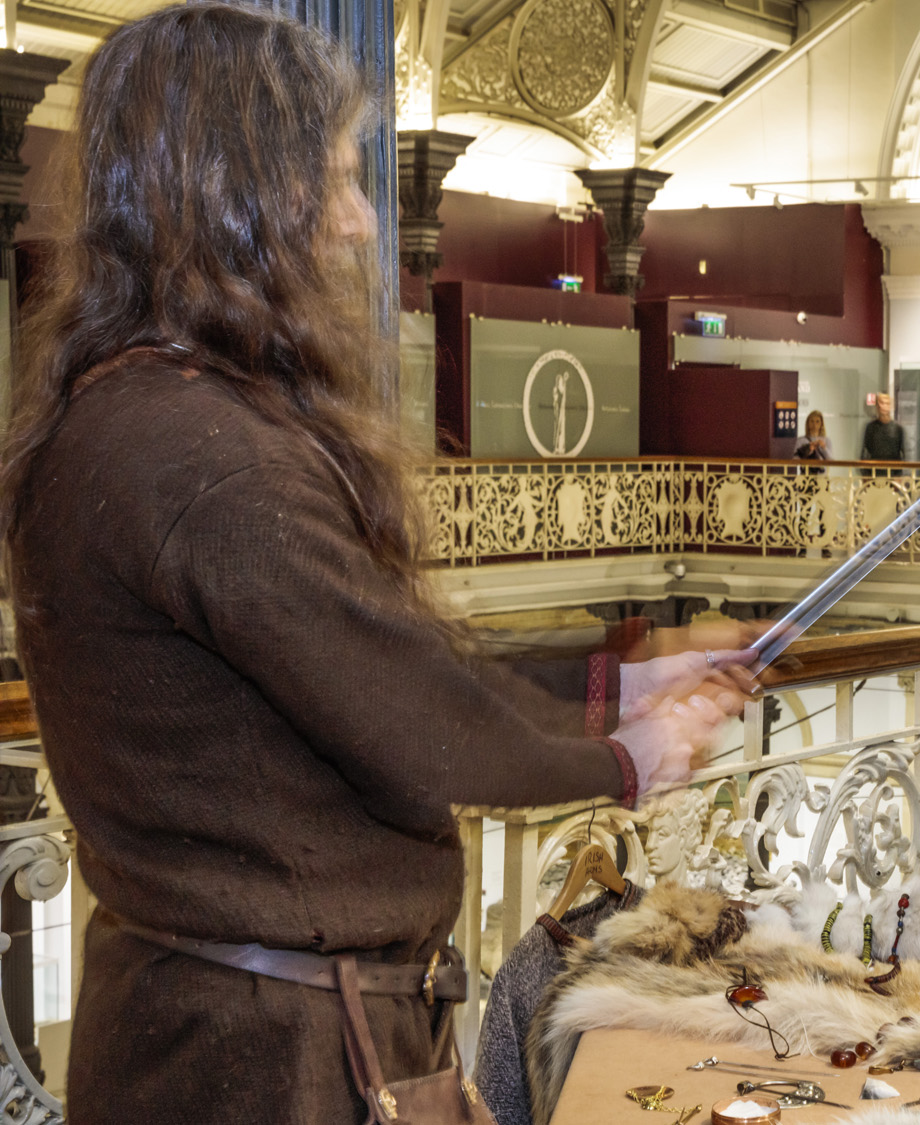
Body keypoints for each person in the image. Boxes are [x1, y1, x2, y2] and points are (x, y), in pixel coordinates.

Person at [0, 8, 750, 1122]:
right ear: (235, 195)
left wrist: (622, 683)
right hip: (264, 1063)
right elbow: (411, 715)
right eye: (337, 181)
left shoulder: (152, 418)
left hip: (238, 1033)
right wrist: (630, 757)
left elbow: (367, 657)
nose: (359, 225)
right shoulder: (196, 452)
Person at [862, 392, 905, 460]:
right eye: (881, 403)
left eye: (887, 403)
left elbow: (904, 454)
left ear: (891, 406)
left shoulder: (898, 428)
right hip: (874, 469)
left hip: (893, 469)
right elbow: (864, 452)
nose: (884, 406)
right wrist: (866, 469)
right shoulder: (870, 427)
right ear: (877, 405)